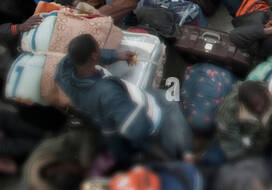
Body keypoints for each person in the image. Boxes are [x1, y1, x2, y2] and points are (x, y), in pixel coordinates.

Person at [56, 33, 191, 159]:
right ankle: (184, 153)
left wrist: (115, 56)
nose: (100, 50)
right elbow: (136, 128)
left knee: (165, 95)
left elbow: (73, 56)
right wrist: (145, 112)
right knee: (170, 104)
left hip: (127, 103)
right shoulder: (106, 92)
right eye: (98, 49)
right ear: (93, 56)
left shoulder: (65, 73)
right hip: (149, 115)